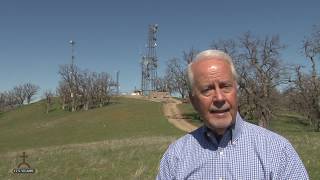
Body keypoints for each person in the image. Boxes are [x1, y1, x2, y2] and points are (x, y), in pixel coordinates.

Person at [156, 49, 309, 179]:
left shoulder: (277, 150)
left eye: (225, 86)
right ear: (193, 100)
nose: (219, 98)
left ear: (236, 91)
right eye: (207, 89)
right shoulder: (175, 156)